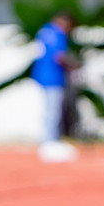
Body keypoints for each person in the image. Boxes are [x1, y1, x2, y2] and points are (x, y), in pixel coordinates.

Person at [32, 12, 77, 162]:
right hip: (53, 77)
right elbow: (59, 56)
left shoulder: (44, 31)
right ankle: (49, 143)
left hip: (42, 75)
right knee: (52, 112)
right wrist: (74, 65)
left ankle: (48, 141)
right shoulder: (58, 34)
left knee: (48, 111)